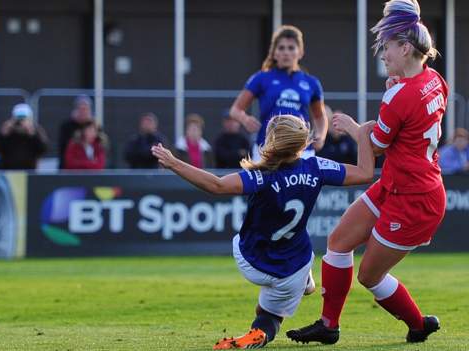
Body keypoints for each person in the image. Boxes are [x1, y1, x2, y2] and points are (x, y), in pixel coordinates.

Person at [287, 0, 447, 344]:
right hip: (398, 183)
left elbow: (374, 145)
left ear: (406, 47)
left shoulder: (401, 95)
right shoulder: (434, 79)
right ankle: (328, 326)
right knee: (338, 241)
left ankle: (418, 324)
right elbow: (408, 126)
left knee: (370, 275)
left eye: (387, 46)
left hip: (416, 199)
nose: (383, 54)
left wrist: (353, 128)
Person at [151, 115, 375, 349]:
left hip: (251, 260)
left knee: (262, 304)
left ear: (271, 142)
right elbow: (365, 173)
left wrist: (175, 163)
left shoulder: (262, 176)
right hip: (292, 268)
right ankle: (297, 290)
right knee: (274, 313)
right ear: (302, 141)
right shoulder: (316, 167)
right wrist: (360, 134)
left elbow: (216, 186)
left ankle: (261, 329)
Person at [230, 25, 327, 161]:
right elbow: (235, 110)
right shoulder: (261, 78)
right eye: (281, 48)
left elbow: (319, 117)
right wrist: (245, 119)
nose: (286, 52)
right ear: (274, 53)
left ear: (300, 52)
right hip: (267, 148)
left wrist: (320, 137)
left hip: (301, 150)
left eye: (291, 48)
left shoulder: (311, 82)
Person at [0, 103, 48, 170]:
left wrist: (32, 134)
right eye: (18, 119)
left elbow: (43, 150)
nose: (21, 123)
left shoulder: (36, 131)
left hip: (29, 172)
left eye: (23, 119)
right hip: (8, 172)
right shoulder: (7, 132)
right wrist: (2, 135)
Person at [59, 95, 94, 169]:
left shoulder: (94, 126)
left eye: (86, 109)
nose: (84, 112)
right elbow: (64, 148)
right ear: (76, 110)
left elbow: (102, 146)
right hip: (69, 169)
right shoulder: (67, 126)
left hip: (90, 170)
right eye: (81, 109)